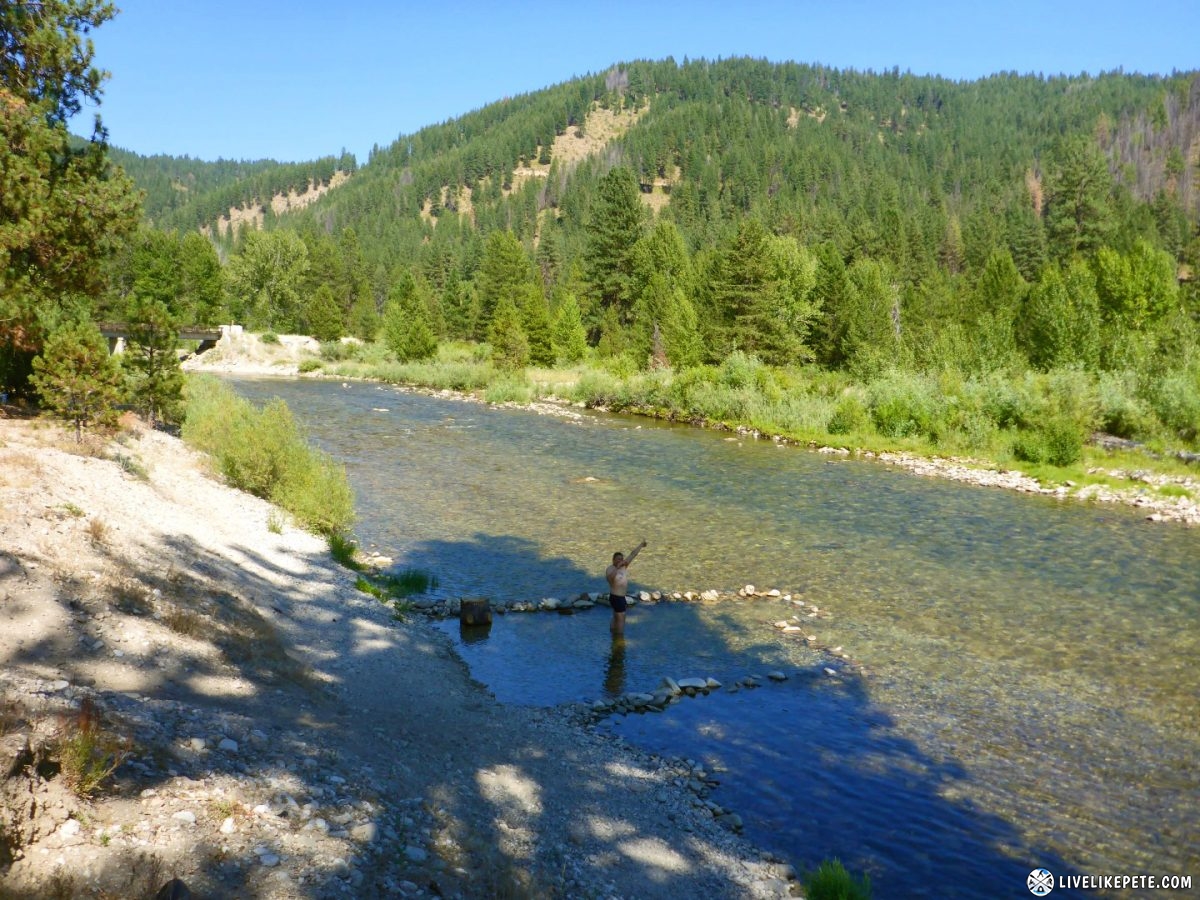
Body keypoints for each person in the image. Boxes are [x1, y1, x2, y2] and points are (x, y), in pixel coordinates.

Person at [605, 539, 646, 634]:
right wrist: (617, 567)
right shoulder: (610, 569)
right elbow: (610, 579)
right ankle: (619, 638)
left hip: (620, 597)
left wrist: (641, 545)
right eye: (618, 559)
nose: (621, 560)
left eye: (621, 559)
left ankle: (612, 633)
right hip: (616, 597)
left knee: (616, 616)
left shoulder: (624, 566)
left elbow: (632, 554)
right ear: (613, 560)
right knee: (621, 618)